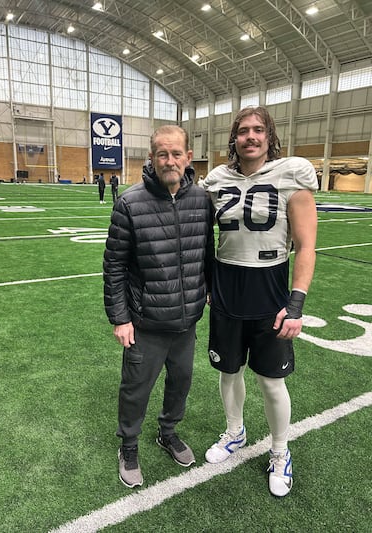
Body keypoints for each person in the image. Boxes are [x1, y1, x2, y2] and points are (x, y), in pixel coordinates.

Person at [203, 106, 318, 497]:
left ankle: (280, 451)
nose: (250, 136)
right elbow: (202, 235)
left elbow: (306, 246)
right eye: (243, 131)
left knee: (271, 382)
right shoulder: (217, 178)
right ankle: (235, 432)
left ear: (269, 136)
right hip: (226, 288)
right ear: (233, 138)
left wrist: (297, 301)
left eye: (258, 130)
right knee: (228, 371)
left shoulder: (293, 173)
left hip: (269, 290)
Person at [103, 125, 215, 489]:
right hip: (145, 322)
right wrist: (120, 318)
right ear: (151, 158)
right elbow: (115, 265)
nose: (170, 160)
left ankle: (167, 432)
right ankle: (129, 446)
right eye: (162, 154)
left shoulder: (201, 199)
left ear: (187, 157)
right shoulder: (130, 203)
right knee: (136, 388)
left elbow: (207, 254)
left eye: (176, 153)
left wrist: (208, 290)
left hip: (186, 321)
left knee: (180, 382)